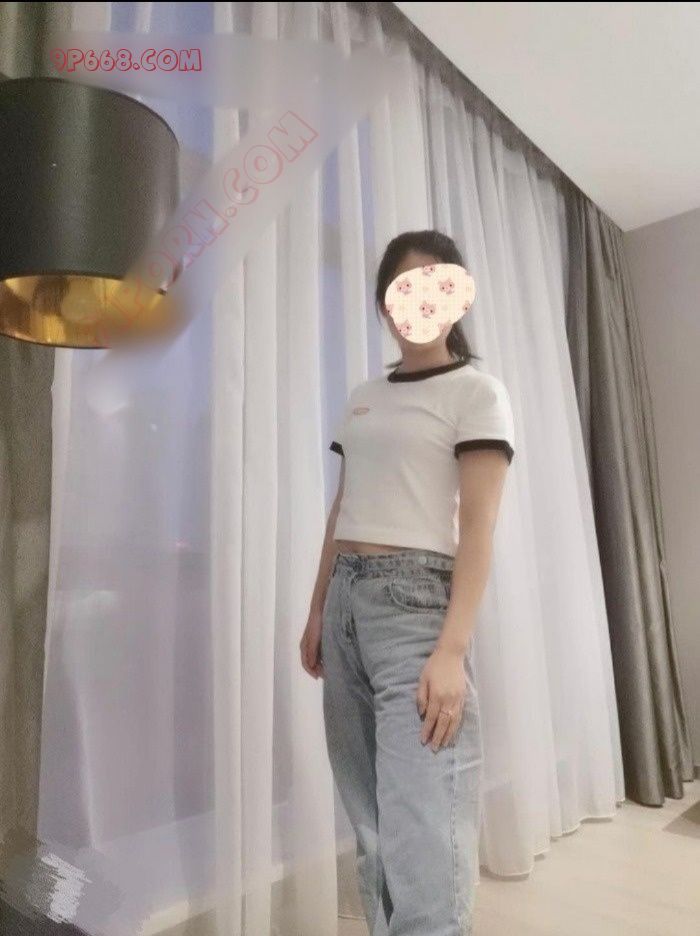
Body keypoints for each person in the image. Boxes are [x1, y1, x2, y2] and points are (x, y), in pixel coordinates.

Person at [300, 230, 515, 936]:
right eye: (402, 287)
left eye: (434, 284)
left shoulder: (476, 392)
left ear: (457, 298)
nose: (418, 301)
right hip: (346, 604)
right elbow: (344, 506)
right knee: (371, 823)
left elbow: (478, 527)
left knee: (425, 822)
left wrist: (451, 650)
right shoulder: (365, 396)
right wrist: (317, 610)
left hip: (414, 606)